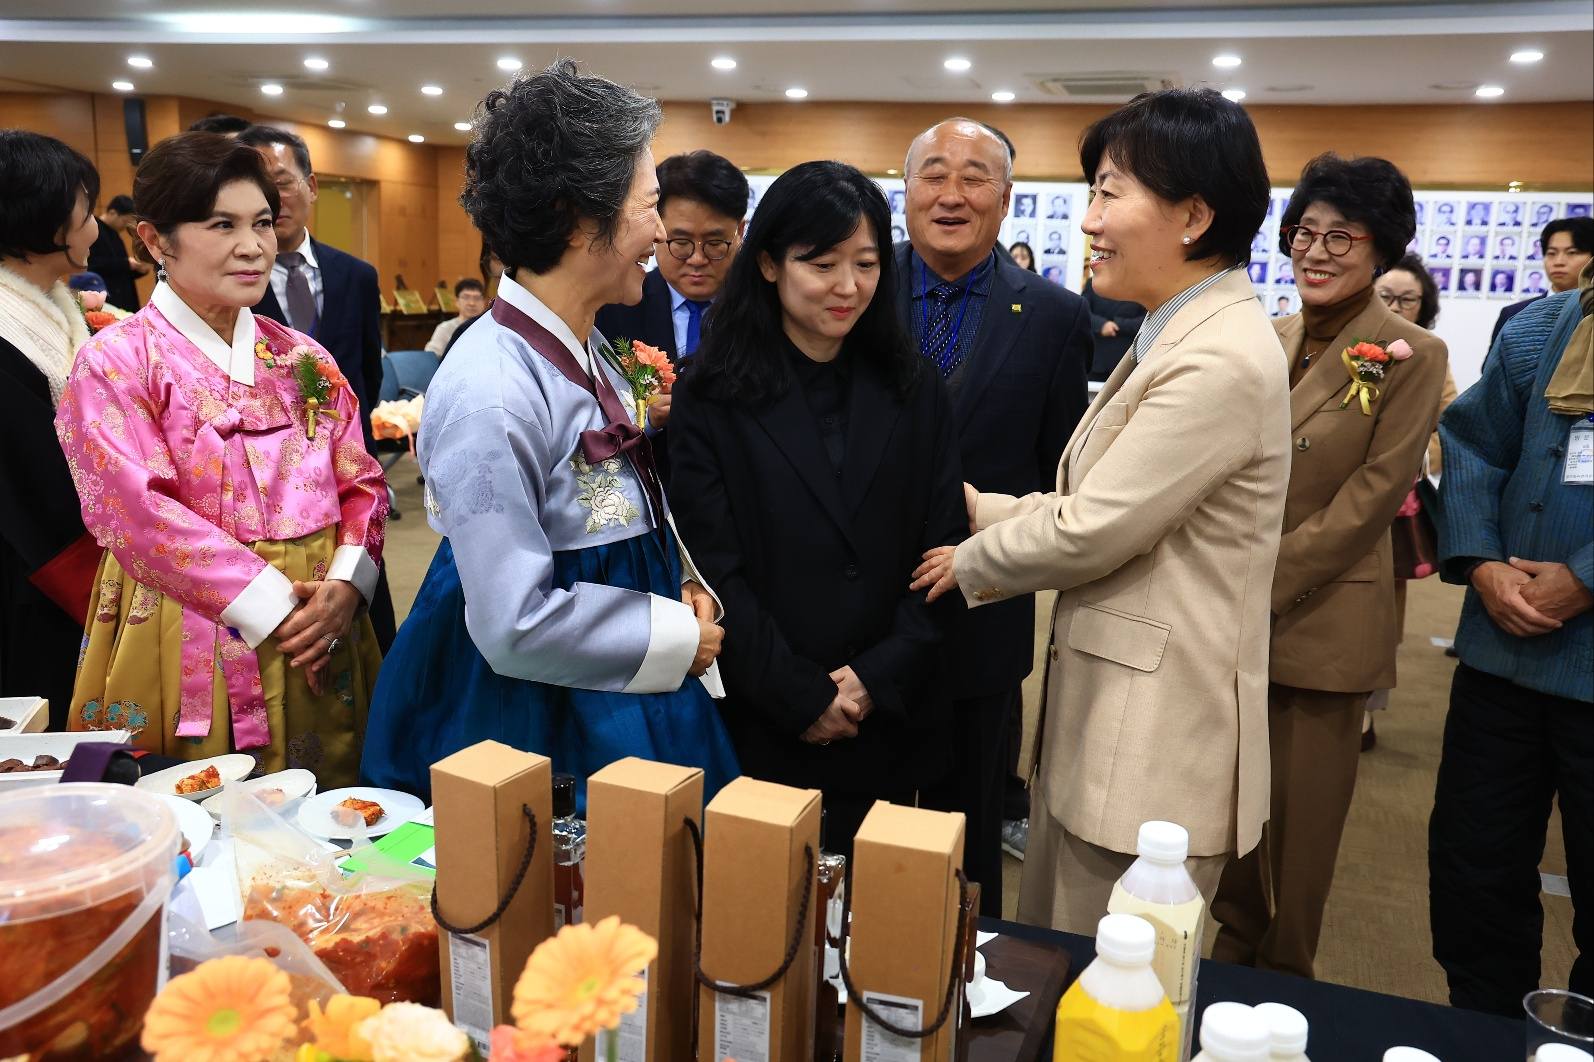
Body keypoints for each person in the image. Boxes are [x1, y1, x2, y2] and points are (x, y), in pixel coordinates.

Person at [912, 88, 1288, 932]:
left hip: (1156, 751)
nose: (1090, 221)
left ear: (1193, 214)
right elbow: (1094, 500)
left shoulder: (1217, 356)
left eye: (1110, 193)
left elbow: (1097, 527)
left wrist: (961, 558)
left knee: (1104, 993)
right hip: (1116, 731)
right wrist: (976, 507)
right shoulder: (1178, 328)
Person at [360, 60, 736, 808]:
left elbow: (614, 502)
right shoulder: (490, 393)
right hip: (538, 698)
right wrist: (671, 637)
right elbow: (512, 621)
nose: (661, 233)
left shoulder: (582, 343)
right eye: (648, 207)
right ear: (575, 216)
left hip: (617, 644)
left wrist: (682, 583)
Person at [56, 132, 388, 784]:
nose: (253, 245)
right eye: (222, 225)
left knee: (335, 809)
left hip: (320, 621)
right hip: (190, 618)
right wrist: (270, 600)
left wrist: (349, 583)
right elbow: (133, 512)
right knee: (193, 813)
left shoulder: (303, 359)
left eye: (263, 222)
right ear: (155, 240)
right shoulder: (116, 360)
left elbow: (362, 478)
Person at [669, 161, 965, 854]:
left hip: (888, 709)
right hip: (767, 711)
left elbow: (944, 552)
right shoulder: (710, 392)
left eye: (866, 263)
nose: (848, 286)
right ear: (769, 263)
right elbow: (714, 567)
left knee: (881, 920)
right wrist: (799, 695)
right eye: (821, 262)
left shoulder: (915, 385)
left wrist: (871, 677)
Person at [1210, 153, 1448, 979]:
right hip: (1232, 621)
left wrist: (1257, 584)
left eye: (1340, 237)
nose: (1316, 251)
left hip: (1322, 624)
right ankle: (1228, 965)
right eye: (1304, 232)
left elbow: (1374, 497)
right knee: (1234, 819)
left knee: (1301, 845)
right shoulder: (1268, 337)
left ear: (1381, 250)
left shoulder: (1410, 352)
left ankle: (1284, 988)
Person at [895, 116, 1092, 915]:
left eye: (974, 176)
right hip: (852, 606)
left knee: (967, 827)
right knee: (851, 812)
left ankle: (965, 980)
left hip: (981, 614)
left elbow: (1056, 476)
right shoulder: (857, 292)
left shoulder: (1053, 315)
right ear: (903, 193)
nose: (951, 193)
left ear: (1006, 199)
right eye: (932, 173)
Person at [1430, 259, 1593, 1015]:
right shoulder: (1536, 326)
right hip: (1502, 651)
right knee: (1475, 867)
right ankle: (1482, 1031)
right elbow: (1471, 447)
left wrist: (1587, 577)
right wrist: (1485, 562)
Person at [237, 124, 395, 649]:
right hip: (267, 507)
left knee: (369, 635)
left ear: (311, 184)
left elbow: (366, 377)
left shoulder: (357, 275)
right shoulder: (231, 285)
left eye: (280, 181)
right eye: (253, 183)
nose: (270, 198)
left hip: (351, 488)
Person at [0, 130, 102, 731]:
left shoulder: (56, 305)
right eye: (87, 210)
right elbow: (35, 485)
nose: (95, 228)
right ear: (45, 218)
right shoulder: (7, 335)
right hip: (36, 571)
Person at [595, 149, 748, 486]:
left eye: (714, 243)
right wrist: (645, 419)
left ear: (740, 231)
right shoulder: (612, 309)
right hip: (644, 494)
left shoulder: (761, 314)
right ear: (657, 228)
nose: (696, 259)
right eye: (680, 242)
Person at [1363, 253, 1458, 749]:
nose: (1398, 305)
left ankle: (1365, 708)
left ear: (1425, 306)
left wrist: (1418, 453)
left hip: (1395, 506)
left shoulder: (1430, 354)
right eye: (1387, 296)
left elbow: (1451, 421)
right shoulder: (1352, 346)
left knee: (1382, 609)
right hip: (1338, 493)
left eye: (1409, 298)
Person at [1493, 217, 1594, 343]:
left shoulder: (1590, 312)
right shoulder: (1514, 313)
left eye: (1572, 252)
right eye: (1551, 253)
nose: (1558, 262)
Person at [86, 193, 149, 312]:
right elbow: (93, 264)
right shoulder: (94, 230)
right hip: (107, 299)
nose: (126, 226)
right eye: (125, 221)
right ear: (112, 213)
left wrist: (138, 270)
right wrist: (127, 263)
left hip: (123, 300)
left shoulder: (114, 234)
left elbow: (120, 272)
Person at [1081, 274, 1145, 381]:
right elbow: (1083, 312)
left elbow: (1148, 318)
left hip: (1128, 362)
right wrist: (1101, 325)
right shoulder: (1094, 283)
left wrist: (1118, 325)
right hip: (1095, 361)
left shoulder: (1142, 285)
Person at [424, 278, 486, 355]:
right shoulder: (445, 328)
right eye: (466, 297)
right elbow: (432, 356)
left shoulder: (491, 328)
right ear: (457, 301)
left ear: (484, 302)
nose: (472, 303)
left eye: (477, 298)